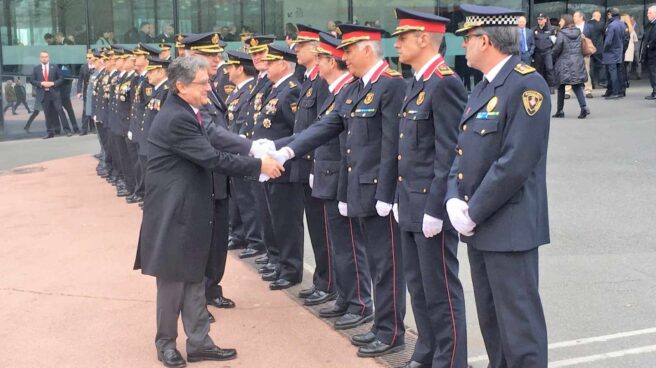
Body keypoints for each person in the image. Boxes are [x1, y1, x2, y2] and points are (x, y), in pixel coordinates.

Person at [133, 56, 284, 368]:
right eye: (203, 83)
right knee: (173, 282)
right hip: (174, 213)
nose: (210, 87)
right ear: (181, 86)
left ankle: (199, 342)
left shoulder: (189, 111)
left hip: (188, 209)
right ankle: (166, 344)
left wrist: (252, 147)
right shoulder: (177, 118)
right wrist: (260, 166)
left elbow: (215, 136)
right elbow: (213, 158)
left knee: (193, 279)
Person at [272, 24, 407, 358]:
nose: (342, 56)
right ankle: (380, 325)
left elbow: (393, 146)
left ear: (366, 49)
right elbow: (326, 127)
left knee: (386, 265)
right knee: (376, 262)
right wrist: (286, 150)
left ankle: (391, 332)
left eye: (347, 50)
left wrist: (387, 195)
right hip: (359, 188)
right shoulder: (356, 89)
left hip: (379, 194)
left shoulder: (391, 85)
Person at [451, 4, 551, 367]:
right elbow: (462, 150)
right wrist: (452, 199)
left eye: (468, 38)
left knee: (519, 328)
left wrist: (472, 211)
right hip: (481, 227)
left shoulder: (526, 84)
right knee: (493, 324)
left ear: (486, 40)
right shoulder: (483, 89)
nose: (464, 45)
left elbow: (514, 164)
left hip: (509, 227)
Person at [392, 8, 468, 368]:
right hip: (409, 202)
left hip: (429, 208)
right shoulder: (416, 81)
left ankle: (450, 360)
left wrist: (436, 209)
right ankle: (426, 351)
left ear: (424, 39)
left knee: (440, 290)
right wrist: (396, 197)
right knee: (417, 286)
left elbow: (450, 153)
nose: (397, 44)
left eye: (403, 37)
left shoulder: (445, 81)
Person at [285, 24, 333, 306]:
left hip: (318, 165)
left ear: (315, 50)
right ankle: (322, 280)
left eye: (301, 46)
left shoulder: (323, 82)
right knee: (317, 228)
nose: (296, 50)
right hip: (307, 164)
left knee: (323, 230)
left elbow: (324, 128)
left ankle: (328, 282)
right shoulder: (309, 79)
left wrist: (315, 168)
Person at [553, 14, 590, 119]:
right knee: (577, 85)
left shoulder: (561, 33)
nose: (559, 23)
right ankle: (584, 107)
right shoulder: (578, 32)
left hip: (564, 62)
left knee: (561, 87)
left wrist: (552, 55)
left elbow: (557, 48)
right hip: (577, 61)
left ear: (565, 21)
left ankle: (560, 110)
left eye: (561, 21)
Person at [30, 51, 65, 139]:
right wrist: (41, 83)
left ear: (48, 57)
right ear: (40, 58)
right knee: (47, 114)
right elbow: (32, 80)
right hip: (43, 94)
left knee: (60, 111)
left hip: (54, 93)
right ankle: (50, 132)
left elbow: (61, 79)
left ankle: (67, 130)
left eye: (46, 57)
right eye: (42, 57)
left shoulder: (55, 67)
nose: (44, 58)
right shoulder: (36, 68)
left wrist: (52, 83)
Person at [603, 8, 626, 99]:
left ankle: (614, 92)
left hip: (610, 52)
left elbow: (608, 41)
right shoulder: (622, 24)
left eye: (608, 14)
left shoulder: (611, 26)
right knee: (619, 72)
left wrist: (604, 49)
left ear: (610, 14)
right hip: (619, 51)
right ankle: (620, 91)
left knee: (612, 73)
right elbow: (624, 38)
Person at [573, 11, 594, 98]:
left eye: (575, 16)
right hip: (573, 52)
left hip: (585, 52)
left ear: (581, 17)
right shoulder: (572, 27)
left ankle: (588, 90)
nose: (573, 18)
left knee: (586, 71)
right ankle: (568, 91)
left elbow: (593, 38)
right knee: (572, 71)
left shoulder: (589, 27)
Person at [533, 13, 556, 90]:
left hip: (547, 52)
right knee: (538, 70)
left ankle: (551, 86)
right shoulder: (534, 29)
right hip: (538, 52)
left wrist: (552, 52)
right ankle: (540, 86)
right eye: (538, 19)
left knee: (549, 68)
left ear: (545, 20)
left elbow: (554, 42)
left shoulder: (551, 29)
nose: (540, 20)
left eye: (541, 19)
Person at [78, 49, 95, 135]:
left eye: (90, 57)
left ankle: (94, 127)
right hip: (86, 91)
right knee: (85, 110)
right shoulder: (83, 67)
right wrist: (79, 91)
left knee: (94, 108)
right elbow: (80, 80)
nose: (89, 59)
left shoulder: (96, 66)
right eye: (87, 58)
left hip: (95, 90)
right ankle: (84, 129)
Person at [588, 10, 606, 88]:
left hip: (589, 48)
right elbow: (605, 34)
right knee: (601, 65)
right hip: (598, 48)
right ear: (598, 17)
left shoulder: (587, 24)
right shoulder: (601, 24)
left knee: (590, 66)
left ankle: (591, 83)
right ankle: (601, 81)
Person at [641, 6, 656, 100]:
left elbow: (654, 39)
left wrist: (649, 46)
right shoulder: (651, 24)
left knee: (654, 73)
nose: (647, 14)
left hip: (653, 54)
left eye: (650, 13)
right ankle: (654, 91)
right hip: (651, 54)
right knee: (652, 73)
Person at [621, 14, 639, 88]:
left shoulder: (622, 27)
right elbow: (636, 39)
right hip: (630, 50)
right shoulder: (631, 28)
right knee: (627, 67)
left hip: (624, 50)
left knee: (622, 67)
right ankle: (627, 81)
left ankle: (623, 82)